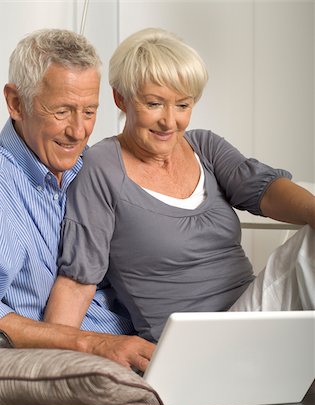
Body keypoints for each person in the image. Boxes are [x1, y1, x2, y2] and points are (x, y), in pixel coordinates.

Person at [45, 28, 315, 351]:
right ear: (121, 98)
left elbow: (267, 190)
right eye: (155, 103)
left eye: (183, 105)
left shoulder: (204, 147)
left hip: (255, 318)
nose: (169, 122)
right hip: (193, 346)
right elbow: (77, 282)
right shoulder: (101, 167)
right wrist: (51, 362)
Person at [0, 28, 155, 370]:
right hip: (80, 367)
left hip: (146, 349)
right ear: (16, 103)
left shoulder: (95, 166)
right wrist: (91, 344)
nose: (78, 131)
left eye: (89, 112)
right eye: (62, 111)